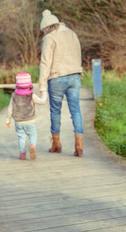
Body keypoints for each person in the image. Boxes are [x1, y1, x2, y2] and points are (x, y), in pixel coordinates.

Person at [38, 9, 85, 157]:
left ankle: (56, 144)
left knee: (55, 111)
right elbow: (78, 53)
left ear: (46, 27)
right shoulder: (72, 33)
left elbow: (45, 62)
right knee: (75, 110)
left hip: (57, 77)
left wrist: (42, 85)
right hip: (74, 76)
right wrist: (77, 70)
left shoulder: (49, 38)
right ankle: (79, 144)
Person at [5, 72, 46, 160]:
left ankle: (22, 153)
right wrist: (44, 93)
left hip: (18, 122)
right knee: (33, 135)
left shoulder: (14, 96)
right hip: (30, 121)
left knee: (21, 137)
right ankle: (32, 146)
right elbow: (42, 101)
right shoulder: (31, 95)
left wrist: (8, 120)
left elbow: (10, 109)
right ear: (30, 83)